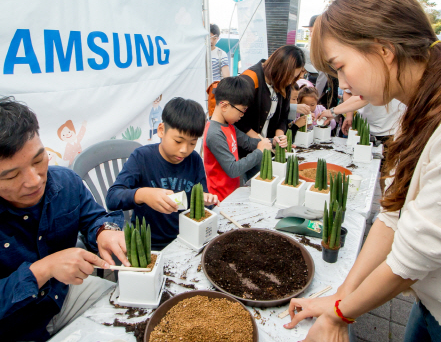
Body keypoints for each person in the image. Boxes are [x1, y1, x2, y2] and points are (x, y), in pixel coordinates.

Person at [283, 0, 441, 342]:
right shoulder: (423, 110)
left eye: (340, 65)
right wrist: (341, 296)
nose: (343, 84)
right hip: (434, 306)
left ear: (383, 50)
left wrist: (339, 313)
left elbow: (409, 261)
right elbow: (394, 216)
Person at [0, 97, 128, 341]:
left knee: (134, 313)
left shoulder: (65, 182)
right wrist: (42, 270)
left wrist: (105, 230)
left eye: (38, 160)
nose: (34, 181)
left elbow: (94, 218)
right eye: (11, 176)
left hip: (62, 297)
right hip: (8, 329)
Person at [105, 97, 219, 250]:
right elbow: (112, 198)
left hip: (186, 239)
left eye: (192, 143)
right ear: (161, 130)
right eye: (178, 141)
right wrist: (143, 194)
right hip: (148, 245)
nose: (184, 149)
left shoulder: (194, 160)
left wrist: (206, 199)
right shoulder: (142, 158)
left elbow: (202, 197)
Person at [204, 77, 273, 201]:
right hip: (220, 198)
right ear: (224, 106)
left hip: (233, 191)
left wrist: (272, 142)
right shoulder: (214, 133)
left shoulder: (229, 126)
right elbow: (233, 169)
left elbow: (247, 143)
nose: (242, 115)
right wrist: (260, 152)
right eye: (241, 111)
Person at [235, 45, 305, 157]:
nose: (291, 81)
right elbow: (238, 120)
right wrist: (262, 141)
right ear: (279, 68)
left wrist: (279, 137)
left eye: (295, 77)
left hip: (267, 147)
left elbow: (283, 116)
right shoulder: (250, 80)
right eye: (290, 76)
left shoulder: (285, 82)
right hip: (245, 150)